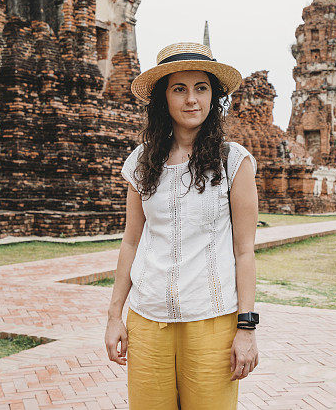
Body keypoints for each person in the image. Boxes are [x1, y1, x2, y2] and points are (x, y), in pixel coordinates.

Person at [104, 42, 260, 409]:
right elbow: (130, 242)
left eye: (201, 88)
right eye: (180, 89)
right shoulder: (142, 161)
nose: (192, 100)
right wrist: (114, 318)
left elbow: (244, 250)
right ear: (163, 99)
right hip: (148, 318)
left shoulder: (233, 162)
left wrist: (247, 328)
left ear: (214, 97)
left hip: (211, 320)